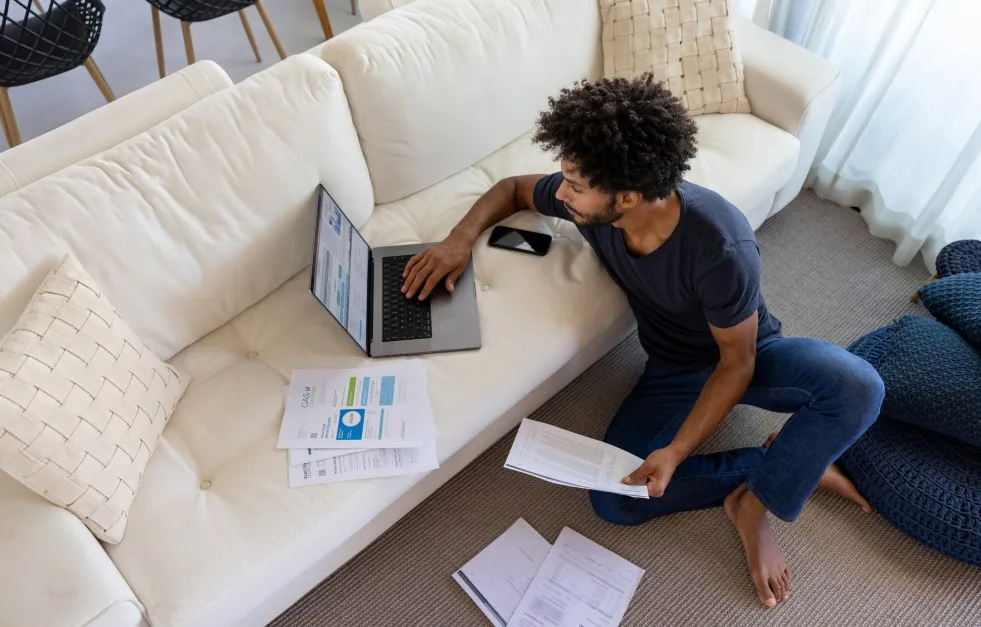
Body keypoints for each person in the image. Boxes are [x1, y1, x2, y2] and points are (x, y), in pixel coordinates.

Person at [400, 73, 884, 608]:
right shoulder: (597, 199)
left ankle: (757, 503)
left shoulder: (721, 248)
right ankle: (784, 467)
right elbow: (513, 188)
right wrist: (458, 240)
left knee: (858, 387)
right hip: (673, 369)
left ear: (628, 196)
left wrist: (677, 451)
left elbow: (737, 363)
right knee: (616, 502)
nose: (561, 194)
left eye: (574, 185)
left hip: (750, 355)